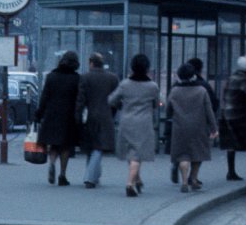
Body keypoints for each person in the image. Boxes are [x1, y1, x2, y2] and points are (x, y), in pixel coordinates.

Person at [108, 54, 160, 197]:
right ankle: (130, 184)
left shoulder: (125, 84)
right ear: (147, 68)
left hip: (126, 120)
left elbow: (112, 100)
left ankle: (138, 179)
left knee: (131, 152)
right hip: (143, 122)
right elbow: (157, 103)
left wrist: (122, 106)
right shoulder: (152, 86)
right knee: (138, 154)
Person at [167, 63, 218, 193]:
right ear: (193, 76)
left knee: (183, 155)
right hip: (198, 126)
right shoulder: (201, 91)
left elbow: (168, 109)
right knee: (197, 154)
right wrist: (214, 128)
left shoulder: (174, 91)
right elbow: (209, 110)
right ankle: (194, 179)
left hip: (179, 127)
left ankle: (184, 181)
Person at [35, 51, 81, 187]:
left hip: (51, 114)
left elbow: (44, 98)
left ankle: (52, 163)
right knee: (66, 146)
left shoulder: (51, 77)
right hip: (68, 116)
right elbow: (79, 99)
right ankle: (62, 175)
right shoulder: (76, 79)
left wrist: (39, 114)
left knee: (54, 144)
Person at [75, 53, 119, 188]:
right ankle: (93, 176)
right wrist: (112, 113)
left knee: (93, 146)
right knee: (99, 147)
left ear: (91, 63)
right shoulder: (112, 78)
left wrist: (77, 115)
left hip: (91, 115)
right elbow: (116, 100)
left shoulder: (85, 77)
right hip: (106, 116)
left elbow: (81, 99)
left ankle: (91, 176)